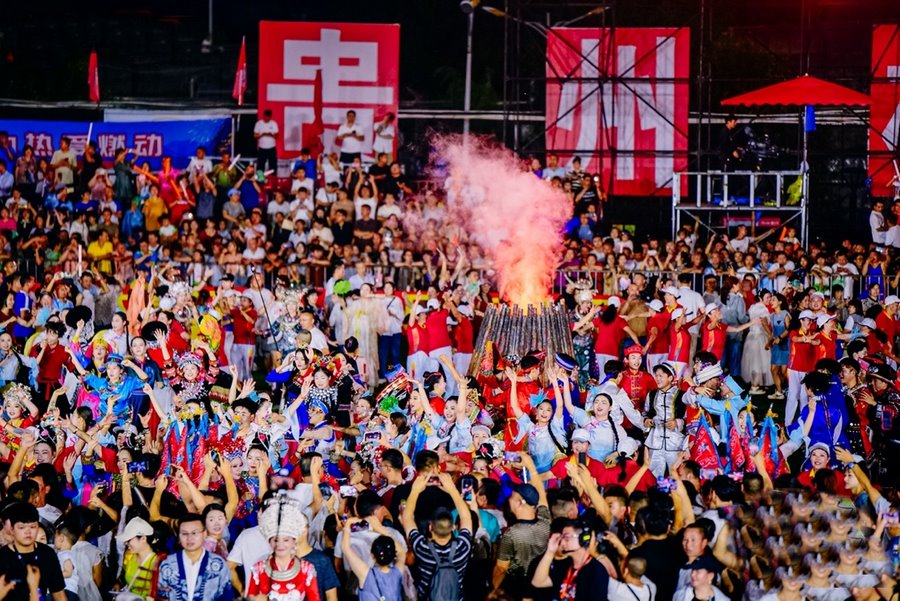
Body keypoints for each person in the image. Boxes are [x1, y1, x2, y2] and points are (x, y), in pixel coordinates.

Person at [156, 514, 234, 601]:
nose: (189, 538)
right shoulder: (168, 564)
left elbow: (227, 595)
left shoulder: (218, 563)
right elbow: (160, 595)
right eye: (184, 533)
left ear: (204, 534)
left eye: (194, 533)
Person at [0, 502, 67, 601]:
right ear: (12, 529)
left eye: (32, 527)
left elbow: (59, 594)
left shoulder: (47, 553)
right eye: (21, 527)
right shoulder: (3, 557)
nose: (28, 532)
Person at [530, 519, 609, 601]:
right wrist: (550, 551)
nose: (562, 542)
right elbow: (538, 582)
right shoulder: (565, 564)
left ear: (583, 539)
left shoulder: (596, 571)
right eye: (562, 537)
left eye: (567, 538)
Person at [254, 109, 279, 173]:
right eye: (265, 118)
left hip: (271, 148)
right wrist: (262, 134)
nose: (266, 119)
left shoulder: (274, 123)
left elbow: (277, 136)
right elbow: (255, 136)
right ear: (263, 116)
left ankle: (273, 178)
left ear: (270, 117)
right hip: (262, 148)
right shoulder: (259, 123)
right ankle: (260, 178)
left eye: (268, 118)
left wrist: (270, 134)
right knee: (260, 165)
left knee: (273, 165)